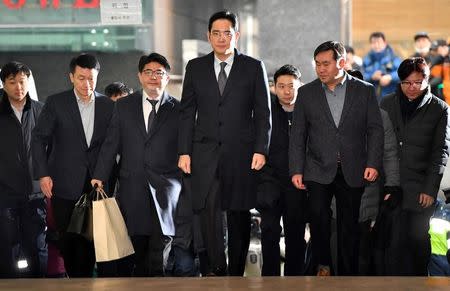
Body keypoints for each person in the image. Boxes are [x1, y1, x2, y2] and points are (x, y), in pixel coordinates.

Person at [178, 10, 271, 276]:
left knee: (239, 213)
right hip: (204, 152)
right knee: (209, 211)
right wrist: (184, 151)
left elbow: (263, 112)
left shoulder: (253, 67)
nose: (221, 38)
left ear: (237, 35)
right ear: (208, 36)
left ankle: (237, 272)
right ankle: (216, 268)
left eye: (227, 33)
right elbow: (187, 112)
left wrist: (260, 149)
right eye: (216, 33)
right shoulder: (195, 67)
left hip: (241, 153)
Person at [289, 41, 384, 276]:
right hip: (317, 167)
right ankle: (323, 265)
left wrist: (372, 163)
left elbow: (375, 129)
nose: (320, 69)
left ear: (341, 62)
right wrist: (296, 170)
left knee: (349, 225)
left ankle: (347, 274)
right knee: (318, 216)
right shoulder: (306, 92)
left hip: (353, 168)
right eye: (317, 64)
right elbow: (298, 134)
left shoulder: (365, 90)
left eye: (326, 64)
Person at [92, 52, 186, 277]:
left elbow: (185, 148)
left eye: (159, 73)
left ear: (167, 77)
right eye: (148, 72)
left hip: (166, 187)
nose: (154, 77)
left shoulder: (179, 109)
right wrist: (100, 174)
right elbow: (111, 143)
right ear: (140, 76)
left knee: (162, 246)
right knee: (136, 247)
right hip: (132, 186)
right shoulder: (124, 106)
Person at [31, 53, 114, 278]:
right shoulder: (56, 103)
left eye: (91, 78)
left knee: (93, 241)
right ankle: (75, 279)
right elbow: (39, 139)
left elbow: (110, 144)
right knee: (68, 240)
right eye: (81, 78)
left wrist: (102, 173)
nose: (86, 84)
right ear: (71, 77)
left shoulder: (108, 105)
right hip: (64, 184)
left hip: (97, 184)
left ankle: (86, 279)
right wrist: (43, 174)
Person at [380, 57, 450, 276]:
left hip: (421, 189)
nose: (412, 88)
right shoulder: (386, 103)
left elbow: (441, 152)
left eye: (418, 82)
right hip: (392, 186)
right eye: (406, 83)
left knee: (418, 243)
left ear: (426, 80)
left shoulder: (439, 109)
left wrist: (430, 189)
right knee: (392, 245)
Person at [257, 64, 306, 276]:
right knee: (269, 233)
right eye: (281, 86)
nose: (287, 91)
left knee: (296, 235)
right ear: (274, 87)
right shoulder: (265, 111)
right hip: (270, 181)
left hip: (298, 183)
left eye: (291, 86)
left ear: (300, 86)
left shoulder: (307, 110)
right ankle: (270, 281)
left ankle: (295, 281)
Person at [0, 61, 45, 278]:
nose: (18, 87)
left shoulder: (42, 110)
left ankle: (37, 284)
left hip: (36, 193)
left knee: (36, 245)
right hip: (5, 193)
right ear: (3, 85)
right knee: (9, 246)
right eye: (12, 82)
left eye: (22, 81)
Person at [363, 32, 402, 101]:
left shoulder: (394, 58)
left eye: (379, 42)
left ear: (385, 43)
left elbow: (402, 73)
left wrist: (390, 77)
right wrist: (372, 76)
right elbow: (361, 75)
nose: (376, 45)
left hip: (392, 98)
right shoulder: (367, 60)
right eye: (373, 43)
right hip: (372, 99)